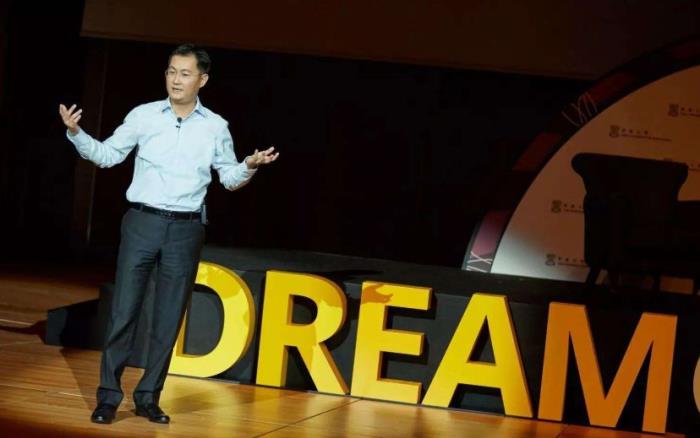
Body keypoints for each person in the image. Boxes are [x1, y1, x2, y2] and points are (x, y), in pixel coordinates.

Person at [59, 44, 279, 425]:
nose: (176, 80)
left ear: (202, 80)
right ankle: (108, 398)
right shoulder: (144, 116)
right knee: (124, 311)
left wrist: (249, 164)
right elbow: (108, 155)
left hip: (186, 229)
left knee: (169, 317)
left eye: (185, 74)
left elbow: (228, 178)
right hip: (142, 223)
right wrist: (76, 133)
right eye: (171, 72)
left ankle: (148, 396)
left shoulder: (215, 127)